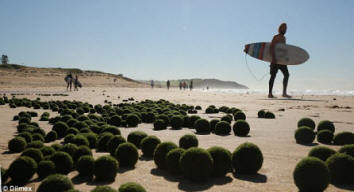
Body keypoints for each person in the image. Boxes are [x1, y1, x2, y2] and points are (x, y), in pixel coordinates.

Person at [269, 23, 291, 98]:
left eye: (286, 28)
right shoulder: (276, 37)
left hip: (282, 61)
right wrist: (273, 58)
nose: (285, 30)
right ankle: (270, 94)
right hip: (275, 60)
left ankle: (284, 93)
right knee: (273, 76)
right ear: (280, 28)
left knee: (287, 75)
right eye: (284, 28)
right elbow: (271, 47)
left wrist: (286, 58)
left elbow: (283, 50)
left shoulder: (284, 38)